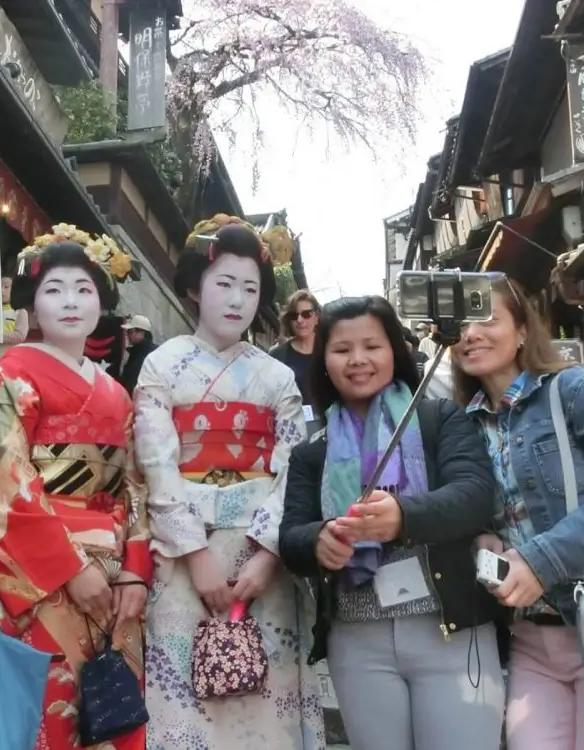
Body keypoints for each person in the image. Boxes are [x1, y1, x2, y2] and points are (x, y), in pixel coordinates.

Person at [278, 295, 504, 750]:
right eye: (341, 350)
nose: (358, 360)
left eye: (372, 347)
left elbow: (476, 496)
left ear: (394, 352)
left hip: (451, 632)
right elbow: (291, 537)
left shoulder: (440, 419)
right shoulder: (312, 451)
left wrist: (403, 517)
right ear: (323, 360)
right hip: (358, 643)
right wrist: (319, 541)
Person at [134, 215, 325, 750]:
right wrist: (194, 553)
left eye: (250, 288)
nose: (237, 299)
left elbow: (293, 465)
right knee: (183, 698)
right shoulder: (160, 366)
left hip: (262, 556)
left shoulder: (278, 376)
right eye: (224, 284)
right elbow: (156, 462)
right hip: (182, 556)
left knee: (268, 699)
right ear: (195, 288)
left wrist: (267, 554)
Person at [0, 231, 149, 750]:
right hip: (44, 575)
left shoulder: (117, 391)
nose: (70, 301)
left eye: (84, 289)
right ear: (31, 303)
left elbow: (136, 483)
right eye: (54, 289)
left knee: (112, 710)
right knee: (44, 711)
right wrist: (69, 568)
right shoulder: (13, 372)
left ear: (103, 303)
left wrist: (136, 568)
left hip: (113, 577)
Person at [453, 275, 584, 750]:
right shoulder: (460, 424)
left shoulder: (575, 390)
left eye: (487, 318)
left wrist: (543, 560)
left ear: (522, 331)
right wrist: (482, 539)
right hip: (530, 641)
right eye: (459, 324)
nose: (470, 333)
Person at [270, 289, 321, 421]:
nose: (299, 320)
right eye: (294, 315)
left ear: (316, 317)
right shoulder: (278, 355)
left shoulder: (332, 349)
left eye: (306, 314)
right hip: (295, 427)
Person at [0, 273, 30, 367]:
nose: (2, 290)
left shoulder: (20, 312)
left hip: (9, 363)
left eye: (6, 287)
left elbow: (20, 336)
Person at [118, 314, 157, 395]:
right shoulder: (136, 351)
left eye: (130, 331)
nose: (127, 334)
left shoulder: (149, 355)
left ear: (141, 333)